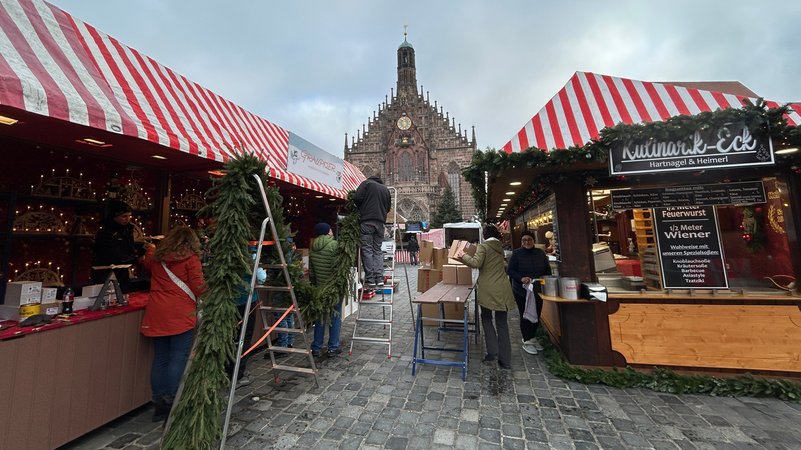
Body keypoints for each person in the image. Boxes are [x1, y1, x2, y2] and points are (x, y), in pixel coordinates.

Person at [140, 226, 206, 422]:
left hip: (157, 312)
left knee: (160, 358)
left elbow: (146, 262)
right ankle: (173, 400)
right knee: (178, 356)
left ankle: (159, 402)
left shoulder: (156, 258)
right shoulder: (190, 259)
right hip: (180, 313)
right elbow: (199, 287)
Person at [456, 225, 516, 370]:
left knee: (487, 318)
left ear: (485, 234)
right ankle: (505, 360)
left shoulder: (484, 247)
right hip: (503, 287)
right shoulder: (499, 247)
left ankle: (493, 352)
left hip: (489, 289)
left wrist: (462, 255)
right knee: (502, 323)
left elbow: (476, 263)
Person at [507, 230, 551, 355]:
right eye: (524, 240)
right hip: (521, 290)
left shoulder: (540, 253)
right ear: (521, 242)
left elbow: (547, 270)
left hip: (537, 289)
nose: (527, 242)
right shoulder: (517, 254)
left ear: (533, 241)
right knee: (525, 314)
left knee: (537, 312)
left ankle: (532, 337)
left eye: (529, 240)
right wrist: (521, 278)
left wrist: (545, 280)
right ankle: (526, 340)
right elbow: (510, 270)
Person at [91, 199, 146, 291]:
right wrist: (135, 259)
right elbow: (112, 254)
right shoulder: (106, 233)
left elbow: (128, 247)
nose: (128, 219)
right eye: (124, 216)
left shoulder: (127, 229)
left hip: (122, 269)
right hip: (106, 270)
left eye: (129, 216)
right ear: (114, 217)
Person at [309, 222, 342, 357]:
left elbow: (311, 272)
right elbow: (338, 267)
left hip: (319, 288)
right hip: (333, 288)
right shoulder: (334, 245)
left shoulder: (313, 247)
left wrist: (315, 285)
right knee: (335, 318)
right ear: (328, 231)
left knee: (320, 319)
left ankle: (316, 347)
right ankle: (333, 347)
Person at [354, 175, 391, 288]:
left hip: (367, 221)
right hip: (380, 223)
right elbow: (388, 208)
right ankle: (379, 278)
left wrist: (363, 207)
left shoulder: (366, 184)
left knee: (367, 250)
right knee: (377, 250)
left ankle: (370, 279)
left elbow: (356, 198)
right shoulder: (385, 189)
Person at [268, 237, 301, 359]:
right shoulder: (295, 255)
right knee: (289, 316)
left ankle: (282, 346)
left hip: (281, 288)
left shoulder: (280, 255)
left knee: (281, 316)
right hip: (291, 288)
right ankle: (289, 342)